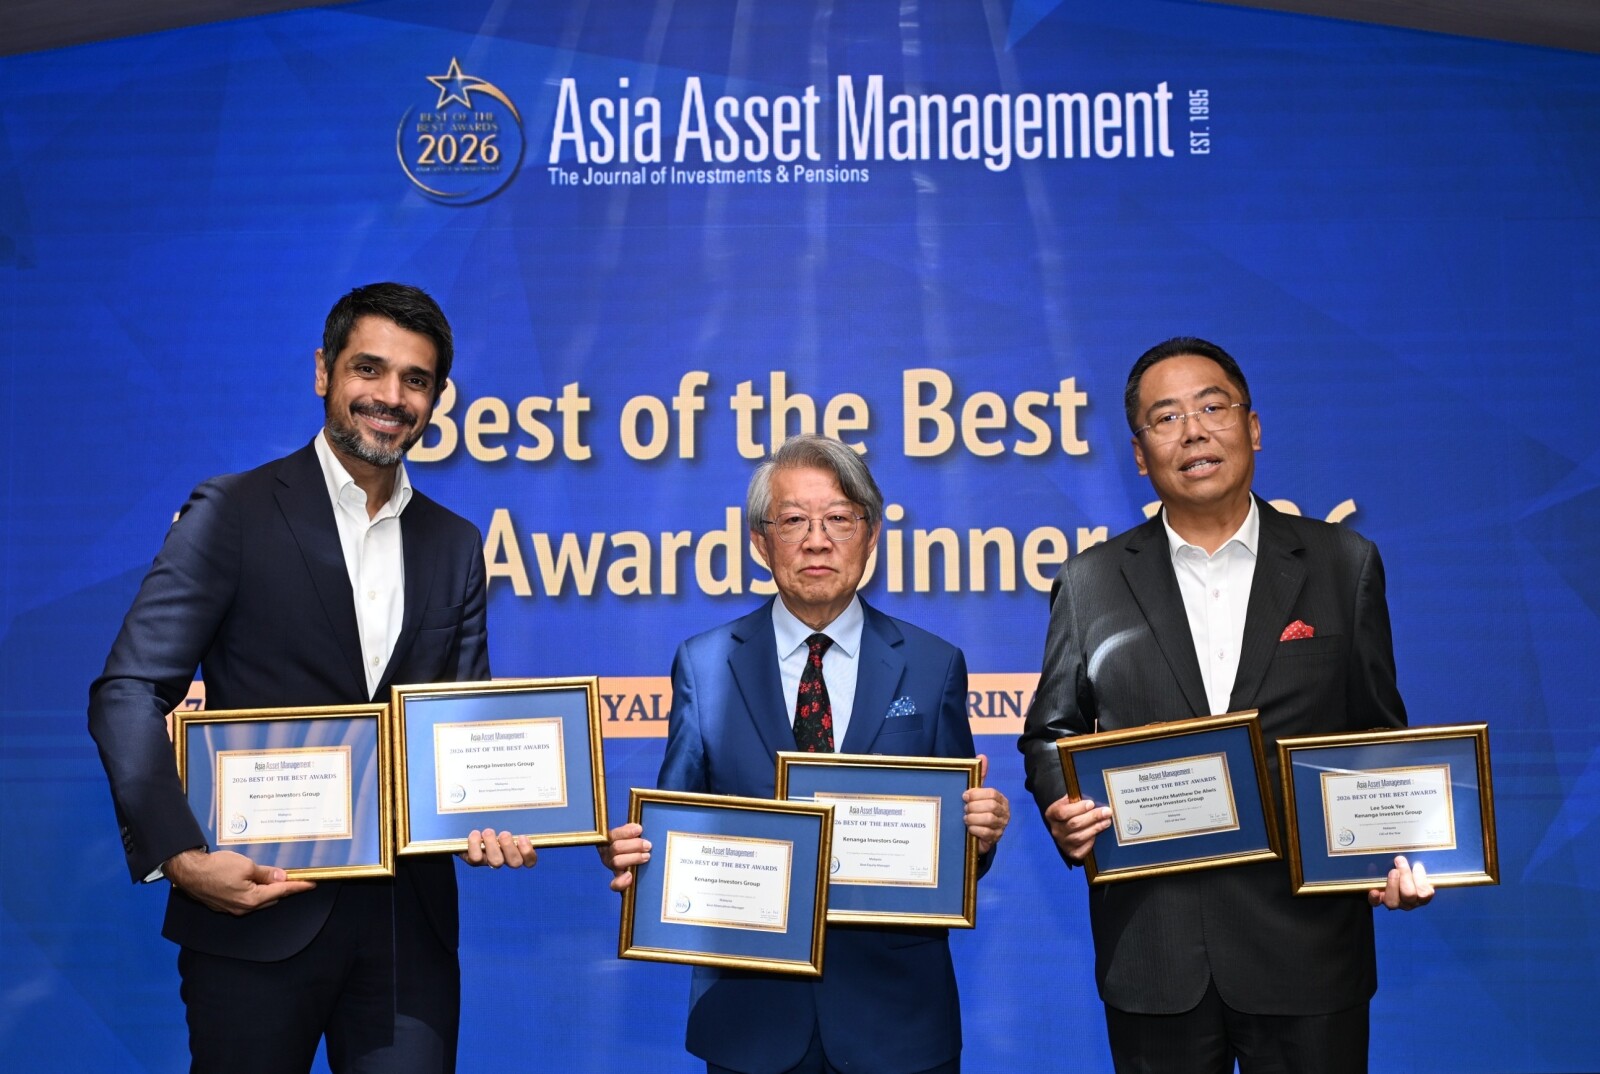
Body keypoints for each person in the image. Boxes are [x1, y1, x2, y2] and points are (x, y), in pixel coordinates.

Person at [88, 283, 535, 1074]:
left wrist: (493, 811)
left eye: (417, 380)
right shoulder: (233, 512)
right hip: (254, 911)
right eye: (371, 370)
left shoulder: (456, 544)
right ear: (323, 371)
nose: (391, 398)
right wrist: (184, 857)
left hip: (408, 932)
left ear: (436, 398)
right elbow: (127, 690)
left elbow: (459, 725)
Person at [1018, 337, 1433, 1074]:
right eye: (1165, 418)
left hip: (1308, 949)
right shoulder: (1091, 582)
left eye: (1213, 407)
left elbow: (1377, 736)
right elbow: (1052, 734)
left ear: (1254, 426)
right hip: (1157, 952)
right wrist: (1067, 809)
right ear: (1140, 455)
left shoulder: (1343, 563)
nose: (1194, 431)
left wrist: (1389, 851)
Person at [603, 433, 1010, 1074]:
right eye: (793, 520)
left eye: (839, 519)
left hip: (897, 1021)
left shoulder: (934, 666)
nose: (817, 540)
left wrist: (979, 838)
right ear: (761, 543)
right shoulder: (704, 664)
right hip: (751, 1019)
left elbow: (955, 858)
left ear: (870, 536)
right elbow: (677, 818)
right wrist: (639, 853)